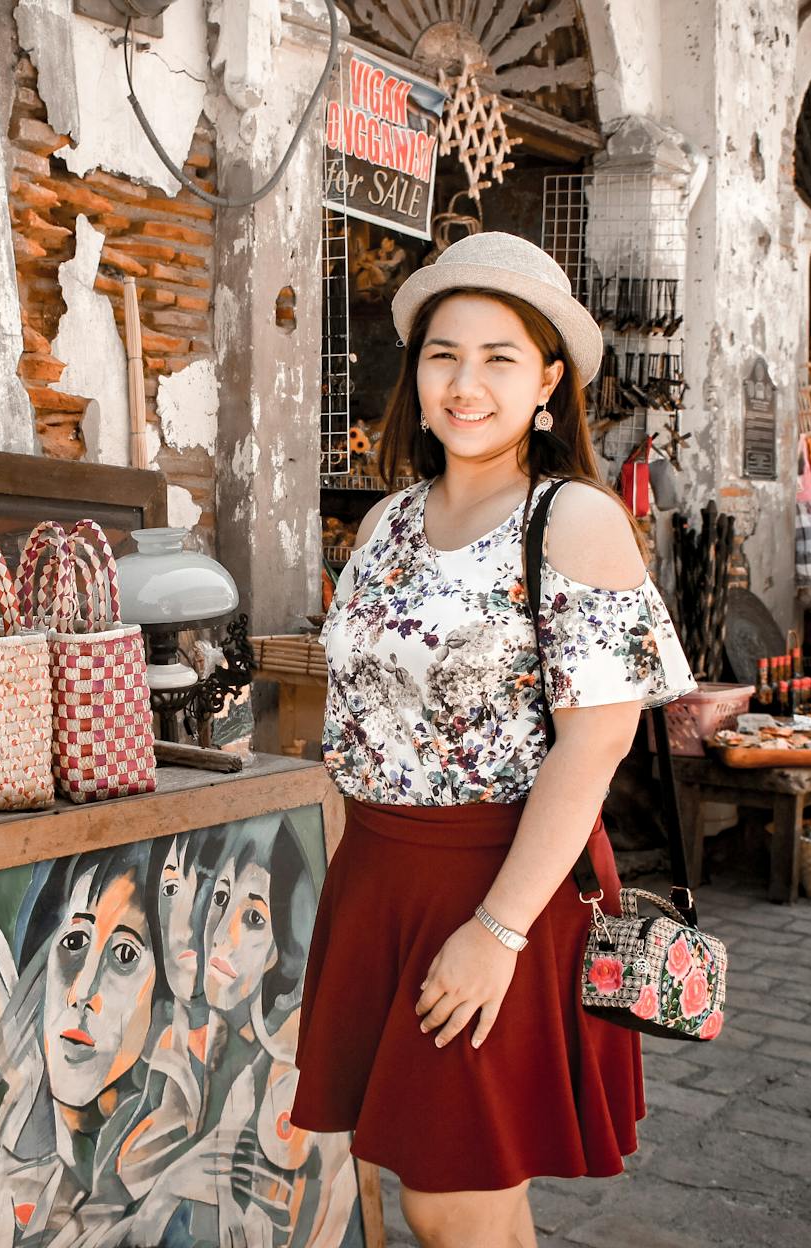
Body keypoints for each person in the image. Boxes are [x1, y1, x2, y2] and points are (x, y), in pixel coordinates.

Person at [291, 231, 696, 1248]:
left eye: (497, 358)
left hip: (497, 881)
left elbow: (592, 746)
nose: (464, 383)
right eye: (441, 355)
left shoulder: (571, 521)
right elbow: (359, 710)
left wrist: (498, 932)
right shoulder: (384, 521)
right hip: (380, 875)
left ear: (547, 380)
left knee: (449, 1199)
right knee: (445, 1183)